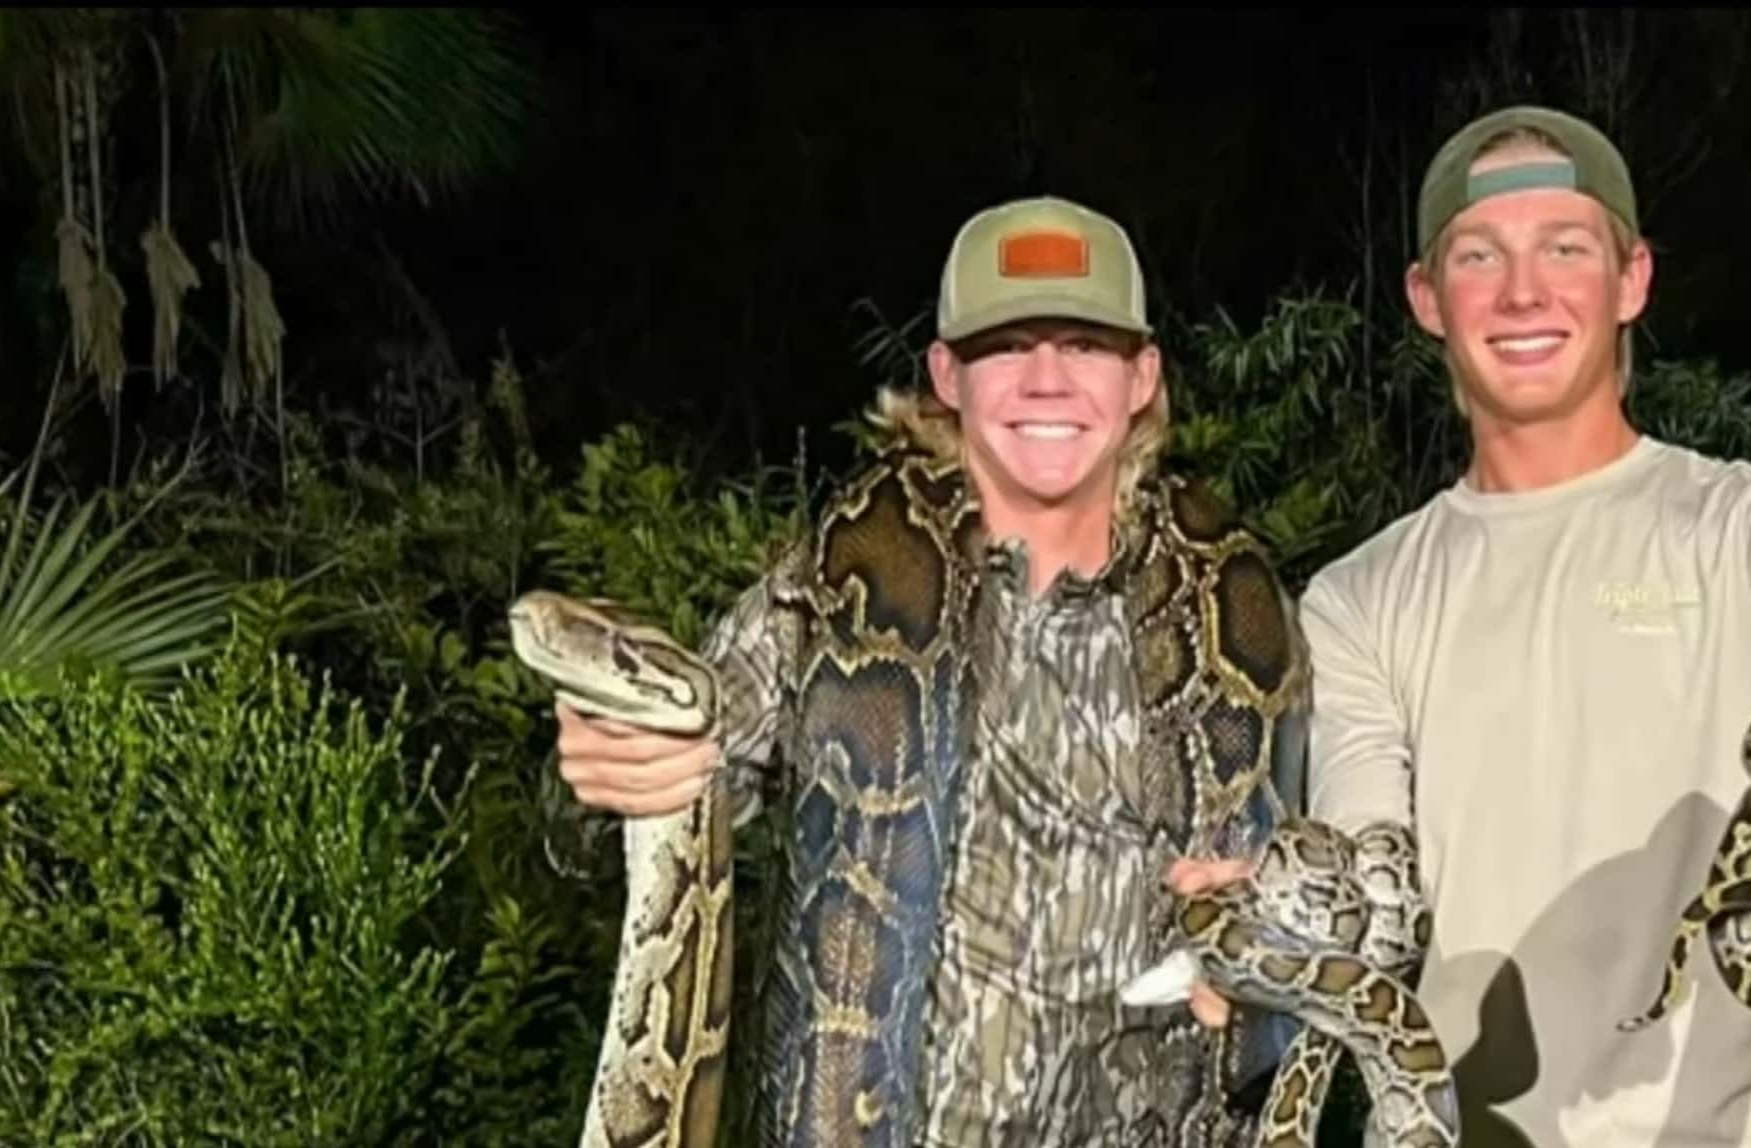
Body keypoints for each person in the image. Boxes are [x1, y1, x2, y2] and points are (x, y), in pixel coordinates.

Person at [1174, 105, 1751, 1146]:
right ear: (1426, 297)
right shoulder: (1357, 596)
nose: (1523, 291)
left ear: (1632, 278)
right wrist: (1259, 920)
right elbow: (1378, 882)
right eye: (1479, 256)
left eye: (1566, 247)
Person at [541, 194, 1310, 1148]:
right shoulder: (839, 580)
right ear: (947, 372)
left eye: (1082, 345)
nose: (1044, 381)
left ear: (1141, 376)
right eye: (1005, 346)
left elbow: (1294, 912)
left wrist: (1272, 931)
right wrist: (604, 776)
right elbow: (623, 815)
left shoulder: (1238, 604)